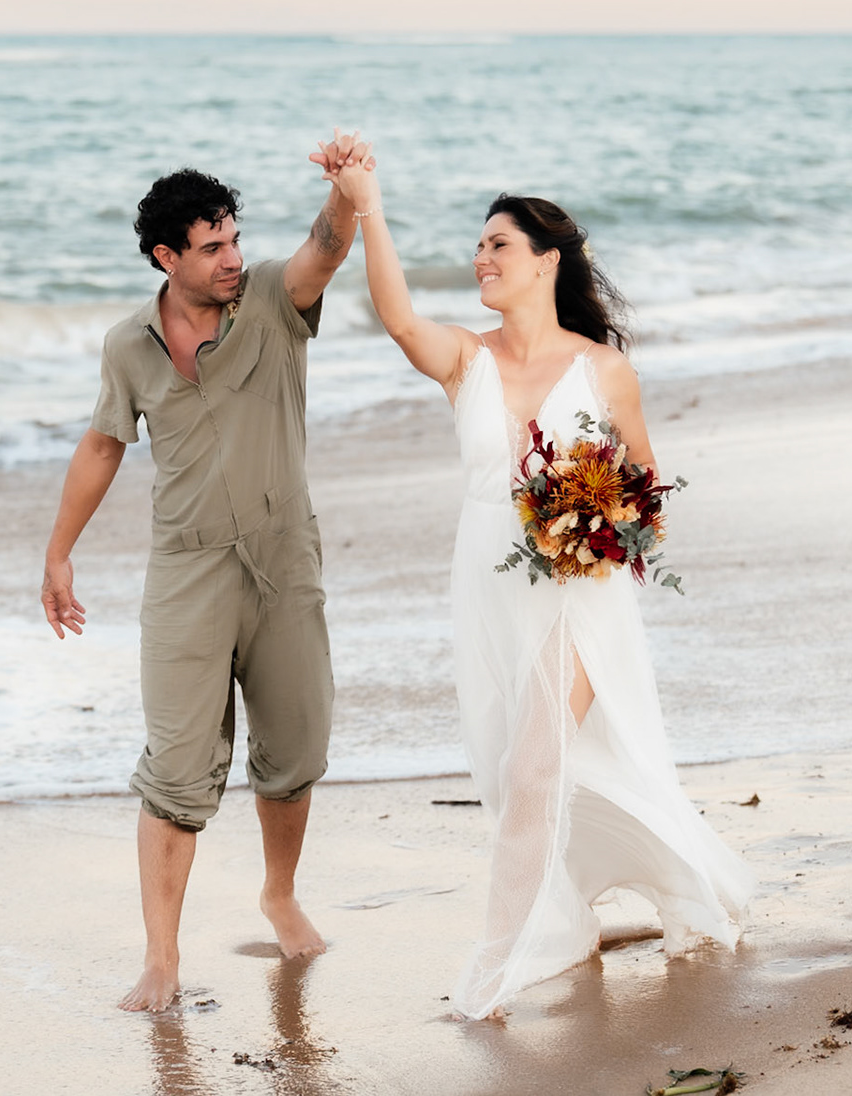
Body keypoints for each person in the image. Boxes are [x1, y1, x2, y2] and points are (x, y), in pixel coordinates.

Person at [325, 152, 756, 1020]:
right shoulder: (464, 360)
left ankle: (495, 968)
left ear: (546, 260)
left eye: (498, 244)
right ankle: (589, 911)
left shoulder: (604, 371)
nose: (482, 259)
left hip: (580, 600)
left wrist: (597, 530)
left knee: (533, 766)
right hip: (487, 589)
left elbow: (645, 496)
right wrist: (366, 207)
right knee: (509, 769)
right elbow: (398, 315)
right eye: (478, 247)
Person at [41, 134, 372, 1012]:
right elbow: (104, 444)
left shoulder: (271, 298)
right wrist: (58, 551)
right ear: (166, 256)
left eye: (234, 240)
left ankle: (279, 891)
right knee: (177, 771)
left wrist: (345, 193)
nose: (232, 259)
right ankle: (161, 957)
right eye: (211, 247)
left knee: (296, 748)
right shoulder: (130, 347)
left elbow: (326, 251)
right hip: (185, 577)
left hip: (282, 558)